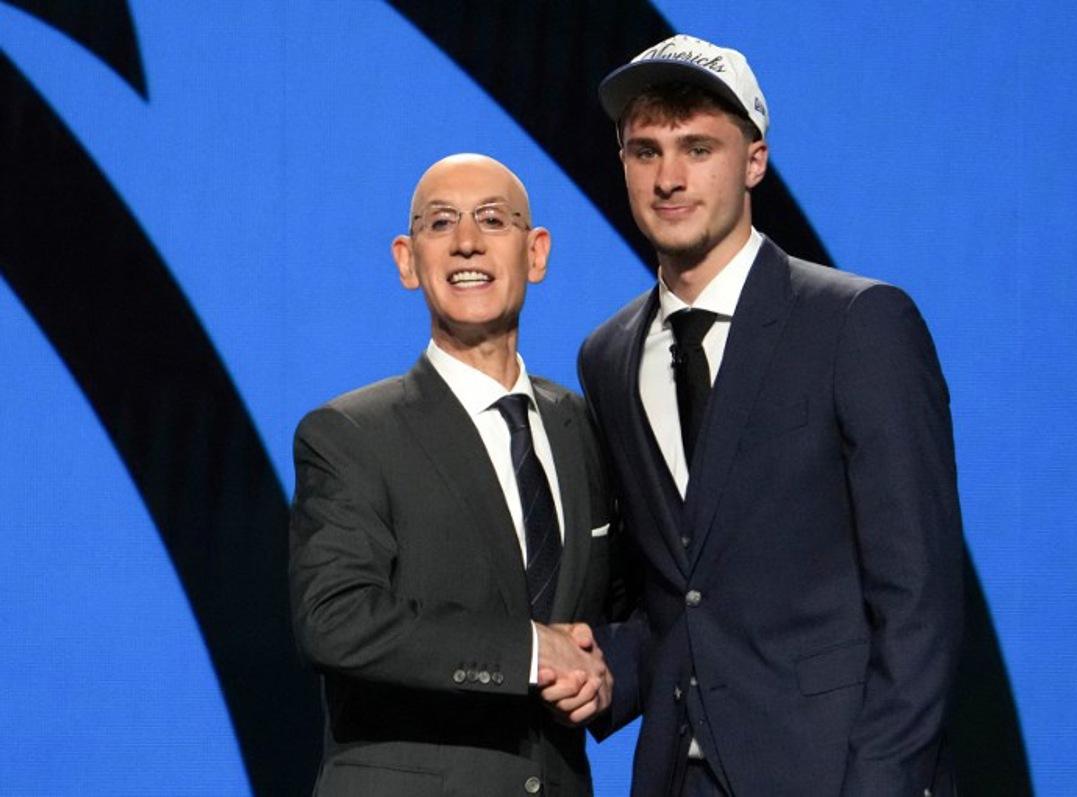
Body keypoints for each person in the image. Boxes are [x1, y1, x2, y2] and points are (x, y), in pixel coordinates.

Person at [575, 35, 964, 796]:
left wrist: (880, 783)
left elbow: (919, 600)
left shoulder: (858, 324)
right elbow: (675, 594)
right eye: (645, 151)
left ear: (754, 161)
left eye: (697, 148)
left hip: (835, 773)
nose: (670, 178)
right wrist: (584, 667)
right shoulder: (609, 355)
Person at [290, 154, 619, 796]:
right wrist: (527, 652)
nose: (468, 242)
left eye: (493, 220)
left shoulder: (579, 427)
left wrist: (606, 674)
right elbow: (335, 617)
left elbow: (615, 609)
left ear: (536, 252)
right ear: (408, 261)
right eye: (442, 224)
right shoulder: (350, 434)